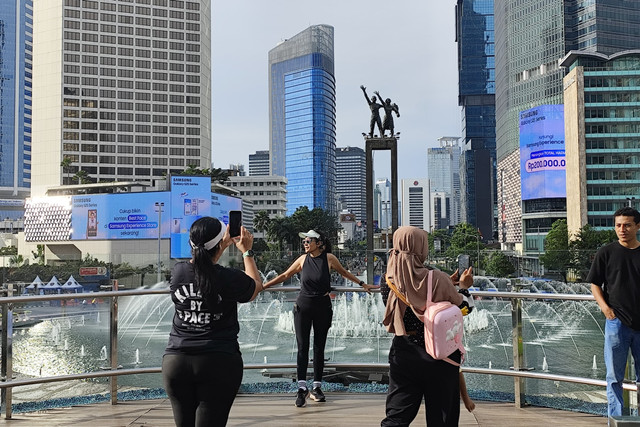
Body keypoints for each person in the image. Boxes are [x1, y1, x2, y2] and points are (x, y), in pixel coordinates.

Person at [162, 217, 263, 427]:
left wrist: (219, 246)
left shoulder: (178, 272)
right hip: (218, 362)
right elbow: (255, 287)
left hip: (176, 362)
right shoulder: (228, 277)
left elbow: (203, 265)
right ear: (219, 245)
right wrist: (246, 251)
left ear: (191, 243)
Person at [263, 229, 378, 407]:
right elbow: (285, 275)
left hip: (323, 307)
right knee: (302, 347)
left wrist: (362, 284)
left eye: (309, 240)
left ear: (319, 244)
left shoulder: (329, 258)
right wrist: (264, 286)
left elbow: (344, 273)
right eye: (304, 241)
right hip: (303, 307)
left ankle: (316, 387)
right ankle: (302, 388)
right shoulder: (302, 259)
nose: (305, 243)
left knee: (319, 347)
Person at [381, 226, 473, 427]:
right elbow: (464, 308)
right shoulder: (436, 277)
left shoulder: (388, 279)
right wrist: (464, 288)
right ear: (420, 247)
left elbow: (413, 297)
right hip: (439, 356)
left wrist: (445, 284)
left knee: (397, 415)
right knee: (442, 418)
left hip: (403, 353)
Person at [587, 206, 640, 419]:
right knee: (614, 377)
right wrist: (605, 308)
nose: (622, 229)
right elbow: (594, 284)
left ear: (638, 226)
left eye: (627, 225)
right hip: (616, 322)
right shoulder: (606, 252)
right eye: (618, 225)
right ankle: (616, 420)